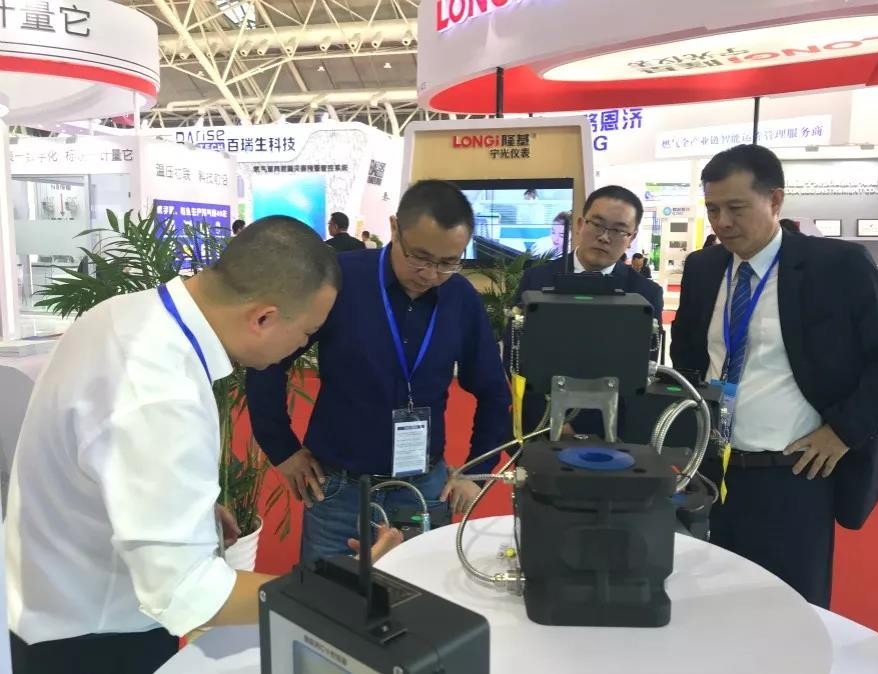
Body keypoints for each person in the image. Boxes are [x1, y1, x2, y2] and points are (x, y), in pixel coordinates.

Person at [5, 216, 402, 674]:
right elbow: (183, 593)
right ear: (264, 318)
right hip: (91, 637)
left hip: (57, 597)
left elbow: (101, 453)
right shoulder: (161, 392)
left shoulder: (126, 314)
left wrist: (185, 507)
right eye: (307, 333)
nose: (303, 346)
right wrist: (335, 592)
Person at [671, 144, 878, 608]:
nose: (722, 222)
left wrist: (844, 431)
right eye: (713, 209)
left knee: (790, 612)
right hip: (712, 472)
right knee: (709, 607)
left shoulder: (837, 267)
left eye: (736, 208)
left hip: (793, 476)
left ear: (774, 200)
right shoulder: (704, 268)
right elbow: (688, 356)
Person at [246, 180, 512, 565]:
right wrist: (282, 448)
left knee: (420, 594)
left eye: (448, 262)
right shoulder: (340, 280)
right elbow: (268, 358)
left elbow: (493, 392)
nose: (431, 273)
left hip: (424, 489)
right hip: (338, 490)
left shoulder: (461, 299)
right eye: (420, 257)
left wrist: (477, 472)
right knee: (329, 594)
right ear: (394, 228)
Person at [511, 185, 664, 435]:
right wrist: (547, 419)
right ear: (581, 224)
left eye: (618, 230)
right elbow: (516, 355)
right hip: (540, 422)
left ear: (631, 237)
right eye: (597, 224)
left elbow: (642, 372)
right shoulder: (536, 279)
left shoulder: (645, 293)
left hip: (610, 428)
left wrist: (581, 425)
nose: (604, 237)